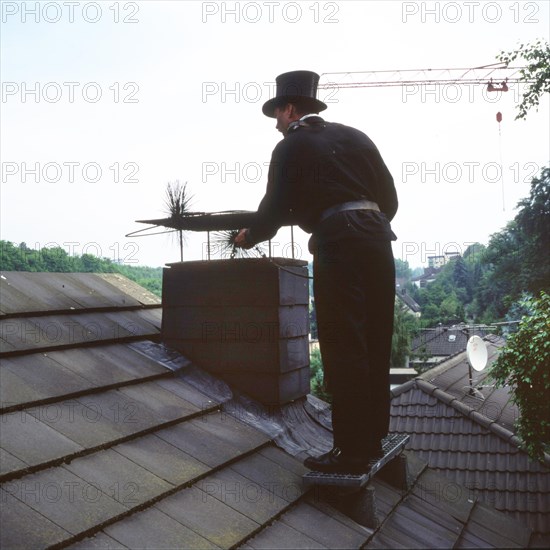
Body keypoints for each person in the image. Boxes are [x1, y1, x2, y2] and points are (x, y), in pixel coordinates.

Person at [234, 70, 398, 474]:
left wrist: (249, 236)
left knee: (343, 346)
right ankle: (373, 440)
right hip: (379, 241)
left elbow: (271, 212)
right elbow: (390, 200)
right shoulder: (357, 137)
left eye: (277, 115)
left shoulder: (291, 147)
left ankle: (351, 452)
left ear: (290, 110)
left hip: (339, 245)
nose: (276, 124)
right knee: (375, 342)